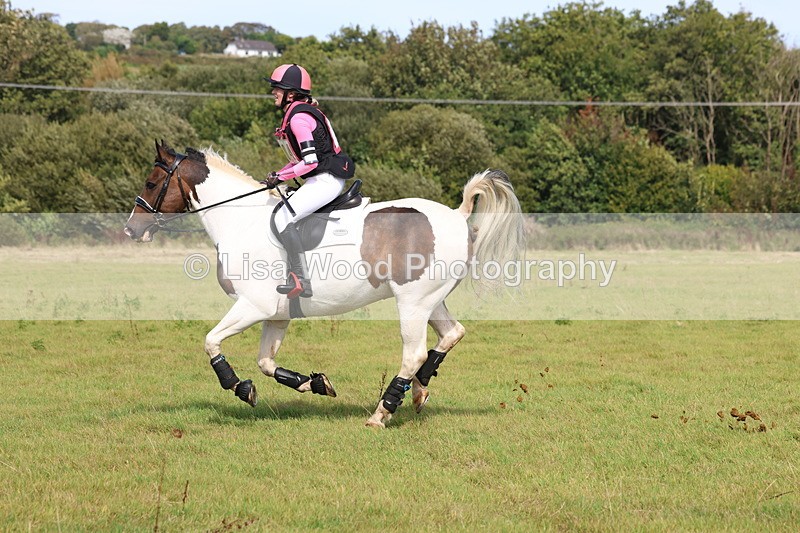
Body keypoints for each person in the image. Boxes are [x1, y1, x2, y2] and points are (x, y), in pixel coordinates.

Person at [262, 63, 355, 300]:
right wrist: (278, 175)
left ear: (290, 94)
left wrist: (281, 177)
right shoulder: (299, 112)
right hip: (322, 178)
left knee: (283, 216)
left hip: (325, 180)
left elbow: (310, 162)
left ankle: (300, 279)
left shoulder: (298, 118)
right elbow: (298, 161)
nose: (273, 92)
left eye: (277, 89)